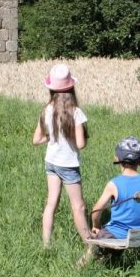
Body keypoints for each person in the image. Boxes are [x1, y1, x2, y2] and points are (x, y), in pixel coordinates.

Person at [32, 63, 89, 249]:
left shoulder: (46, 110)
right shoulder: (76, 112)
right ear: (71, 88)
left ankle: (46, 245)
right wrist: (72, 135)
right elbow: (81, 144)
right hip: (69, 165)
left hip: (51, 162)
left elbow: (36, 139)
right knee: (78, 207)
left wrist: (51, 137)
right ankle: (90, 245)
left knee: (51, 203)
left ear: (51, 89)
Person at [89, 136, 140, 244]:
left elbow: (96, 211)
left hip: (116, 235)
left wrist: (96, 225)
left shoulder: (114, 184)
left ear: (118, 159)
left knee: (94, 245)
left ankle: (85, 260)